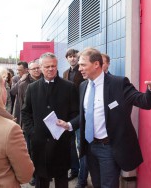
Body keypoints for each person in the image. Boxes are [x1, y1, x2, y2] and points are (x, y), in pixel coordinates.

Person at [58, 48, 151, 188]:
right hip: (90, 147)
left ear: (96, 64)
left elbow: (144, 101)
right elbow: (86, 115)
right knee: (97, 184)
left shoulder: (119, 83)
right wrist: (69, 125)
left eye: (83, 65)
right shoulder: (83, 86)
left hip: (109, 149)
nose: (79, 68)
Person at [21, 52, 79, 188]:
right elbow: (25, 112)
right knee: (41, 180)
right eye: (47, 67)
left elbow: (76, 113)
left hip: (61, 143)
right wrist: (32, 132)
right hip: (40, 144)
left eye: (53, 66)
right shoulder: (32, 88)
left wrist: (67, 129)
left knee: (61, 179)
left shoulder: (69, 87)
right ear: (40, 67)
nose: (50, 69)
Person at [18, 59, 42, 186]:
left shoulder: (47, 81)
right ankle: (34, 174)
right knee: (31, 151)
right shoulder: (23, 85)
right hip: (30, 124)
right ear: (29, 70)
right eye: (34, 69)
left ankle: (44, 173)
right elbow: (22, 106)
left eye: (38, 68)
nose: (37, 70)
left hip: (44, 123)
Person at [63, 48, 85, 183]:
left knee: (80, 145)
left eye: (74, 56)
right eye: (69, 56)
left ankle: (83, 174)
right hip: (69, 114)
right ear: (67, 59)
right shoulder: (65, 73)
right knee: (71, 144)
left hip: (81, 111)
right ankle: (74, 170)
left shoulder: (82, 72)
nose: (72, 58)